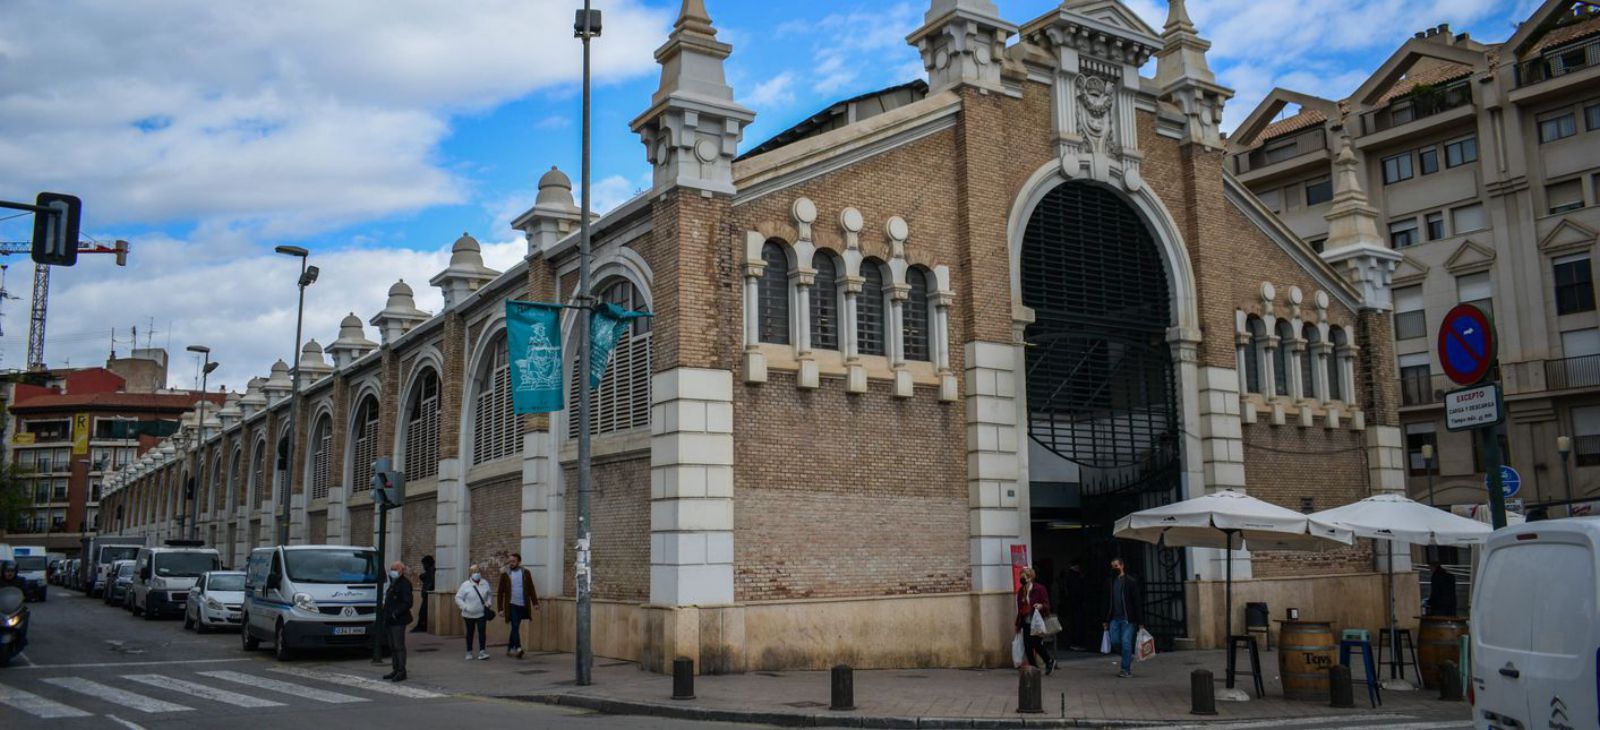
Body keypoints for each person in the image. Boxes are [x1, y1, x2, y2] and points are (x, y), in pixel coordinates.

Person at [1102, 557, 1142, 678]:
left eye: (1116, 566)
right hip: (1114, 618)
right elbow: (1106, 601)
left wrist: (1140, 621)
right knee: (1115, 641)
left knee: (1125, 642)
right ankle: (1128, 657)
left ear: (1122, 566)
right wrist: (1105, 619)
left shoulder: (1130, 581)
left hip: (1128, 618)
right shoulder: (1109, 582)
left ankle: (1125, 669)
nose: (1114, 569)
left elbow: (1137, 602)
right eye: (1112, 566)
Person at [496, 553, 539, 658]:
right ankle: (518, 647)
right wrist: (500, 608)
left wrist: (535, 603)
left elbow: (531, 588)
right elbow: (500, 592)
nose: (511, 563)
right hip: (511, 604)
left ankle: (510, 648)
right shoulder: (505, 574)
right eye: (510, 561)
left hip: (523, 604)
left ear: (519, 562)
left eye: (513, 561)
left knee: (515, 627)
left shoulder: (525, 573)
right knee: (515, 625)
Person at [1015, 566, 1056, 675]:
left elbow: (1047, 604)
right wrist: (1018, 625)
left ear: (1030, 577)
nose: (1022, 578)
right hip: (1025, 621)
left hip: (1035, 621)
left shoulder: (1040, 588)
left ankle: (1048, 661)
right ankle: (1034, 668)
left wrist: (1041, 606)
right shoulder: (1021, 591)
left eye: (1024, 576)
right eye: (1021, 575)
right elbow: (1019, 608)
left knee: (1036, 644)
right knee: (1027, 645)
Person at [455, 564, 493, 661]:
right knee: (470, 633)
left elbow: (489, 595)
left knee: (482, 632)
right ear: (471, 574)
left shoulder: (485, 583)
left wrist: (489, 603)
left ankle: (482, 651)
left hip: (481, 613)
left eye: (478, 572)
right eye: (475, 572)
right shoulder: (465, 585)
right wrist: (464, 607)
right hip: (468, 614)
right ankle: (469, 651)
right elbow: (458, 597)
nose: (477, 574)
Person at [383, 561, 413, 682]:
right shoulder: (393, 583)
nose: (392, 571)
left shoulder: (404, 584)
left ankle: (402, 671)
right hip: (390, 619)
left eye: (394, 569)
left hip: (398, 620)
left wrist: (396, 613)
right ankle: (395, 669)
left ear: (400, 571)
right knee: (392, 646)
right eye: (391, 569)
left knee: (398, 646)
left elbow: (408, 603)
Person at [1061, 563, 1088, 651]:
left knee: (1073, 623)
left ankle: (1072, 643)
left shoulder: (1068, 577)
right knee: (1077, 624)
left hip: (1072, 604)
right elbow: (1077, 591)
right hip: (1076, 604)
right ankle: (1076, 643)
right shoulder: (1075, 578)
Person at [412, 555, 435, 633]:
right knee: (422, 612)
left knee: (423, 612)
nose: (423, 566)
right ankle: (421, 626)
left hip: (428, 595)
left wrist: (426, 590)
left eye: (424, 564)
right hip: (426, 595)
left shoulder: (431, 571)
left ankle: (422, 626)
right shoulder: (429, 571)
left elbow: (430, 582)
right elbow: (424, 577)